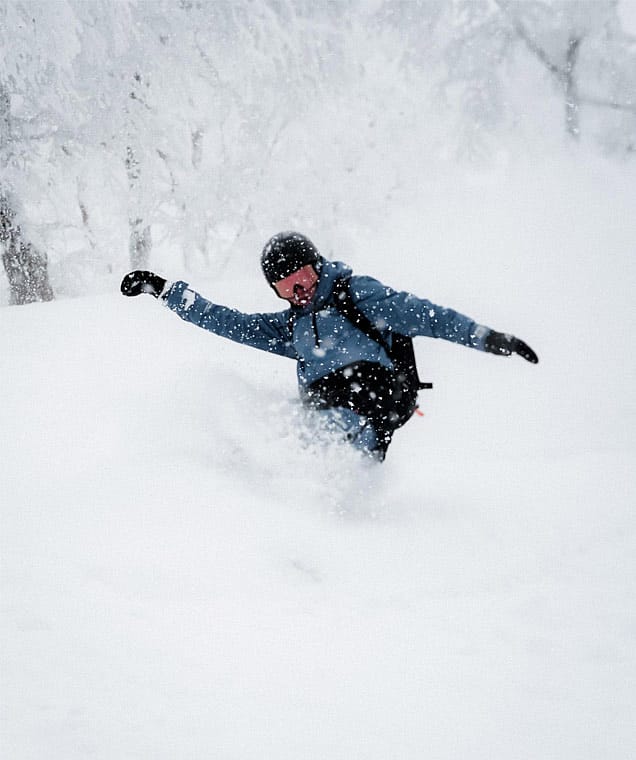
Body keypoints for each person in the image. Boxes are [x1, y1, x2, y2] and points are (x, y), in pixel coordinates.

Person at [121, 231, 538, 460]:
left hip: (377, 395)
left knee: (328, 421)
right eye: (286, 290)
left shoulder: (357, 295)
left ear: (317, 266)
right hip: (330, 414)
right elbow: (227, 321)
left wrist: (487, 338)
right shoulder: (291, 329)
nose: (299, 292)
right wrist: (164, 291)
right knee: (296, 437)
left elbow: (427, 316)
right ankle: (322, 517)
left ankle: (325, 472)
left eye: (302, 279)